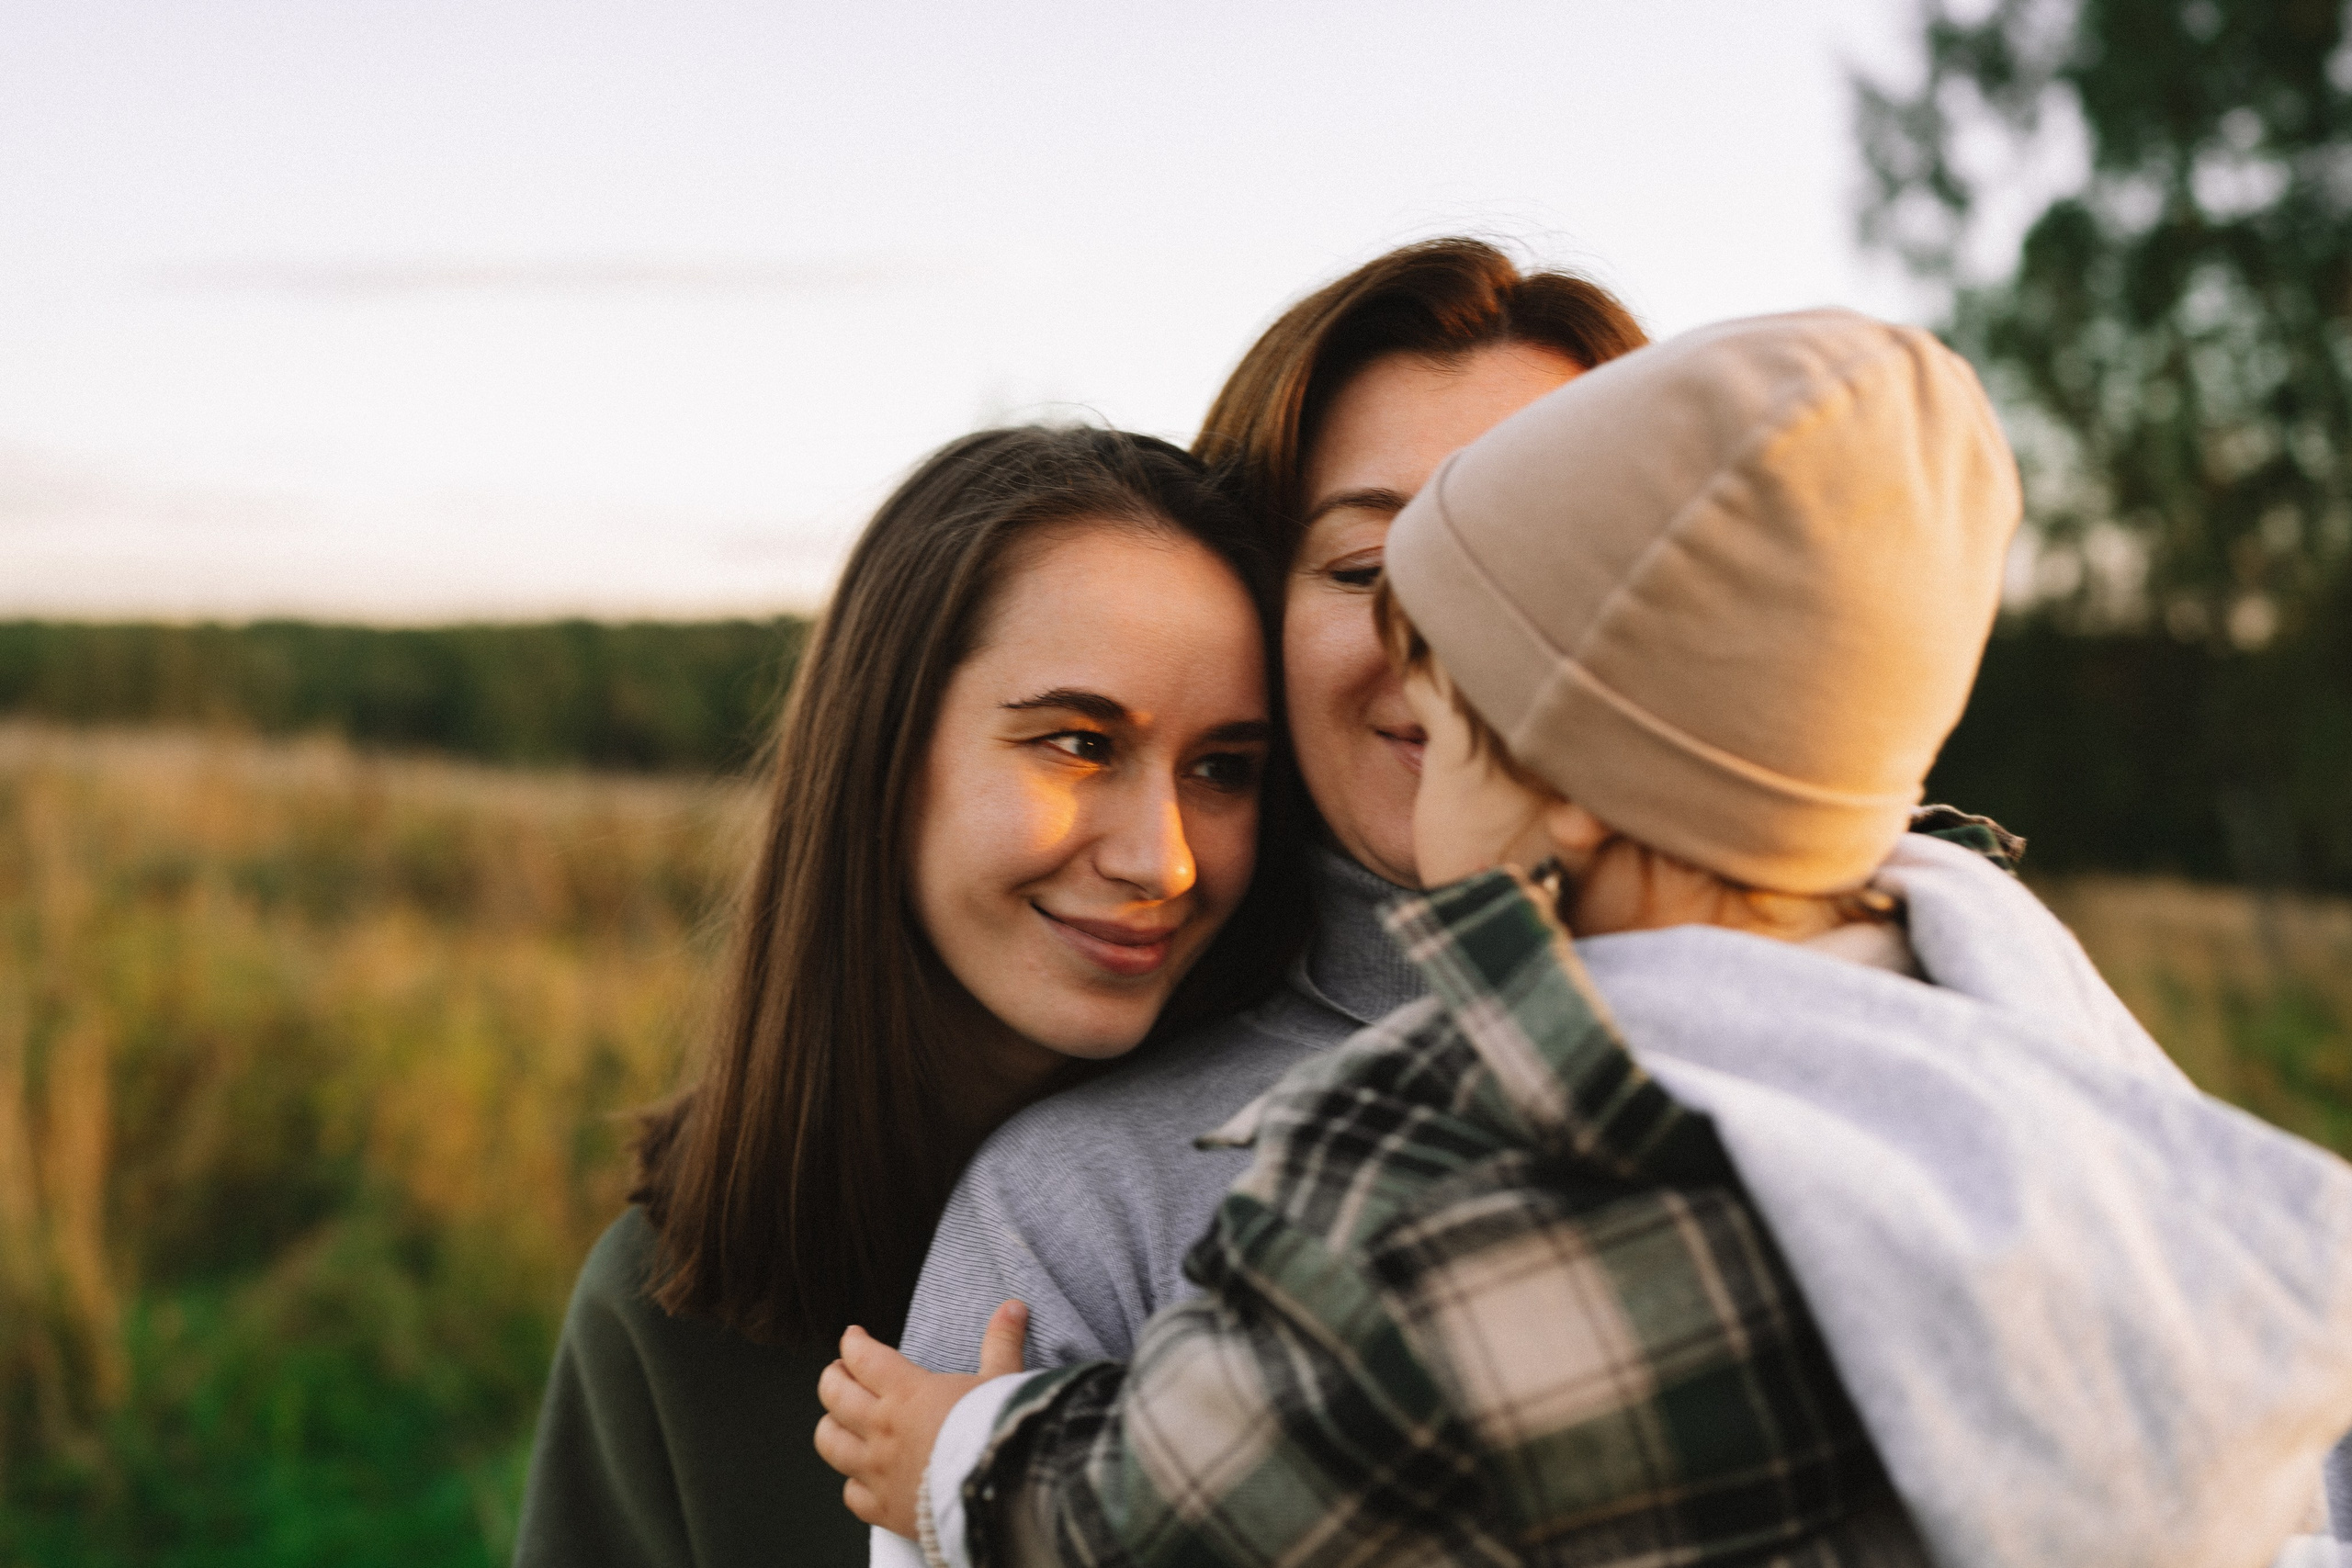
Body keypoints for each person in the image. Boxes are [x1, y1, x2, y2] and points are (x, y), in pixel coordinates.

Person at [817, 310, 2352, 1568]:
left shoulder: (1457, 1147)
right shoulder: (1078, 1200)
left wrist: (963, 1448)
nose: (1424, 676)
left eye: (1478, 628)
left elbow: (1179, 1496)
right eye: (1367, 571)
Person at [511, 426, 1306, 1568]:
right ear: (884, 752)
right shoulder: (671, 1317)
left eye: (1222, 767)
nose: (1164, 861)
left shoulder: (1324, 1201)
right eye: (1080, 744)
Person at [892, 239, 1651, 1384]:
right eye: (1364, 569)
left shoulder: (1900, 993)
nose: (1445, 640)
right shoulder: (1077, 1206)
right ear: (1250, 610)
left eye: (1538, 559)